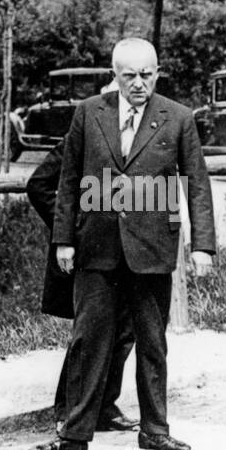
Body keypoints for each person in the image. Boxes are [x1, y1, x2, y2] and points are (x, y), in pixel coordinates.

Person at [31, 37, 215, 450]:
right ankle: (74, 436)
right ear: (113, 75)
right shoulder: (88, 114)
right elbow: (68, 180)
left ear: (157, 72)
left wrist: (203, 245)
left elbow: (198, 182)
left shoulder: (178, 118)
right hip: (96, 249)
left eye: (147, 75)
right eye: (129, 75)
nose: (138, 84)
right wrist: (63, 239)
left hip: (152, 250)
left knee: (152, 343)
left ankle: (155, 429)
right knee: (88, 340)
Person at [26, 134, 138, 433]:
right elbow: (38, 185)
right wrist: (74, 229)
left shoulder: (140, 137)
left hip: (127, 250)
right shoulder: (84, 133)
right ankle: (70, 410)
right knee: (90, 333)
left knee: (125, 330)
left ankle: (104, 406)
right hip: (89, 252)